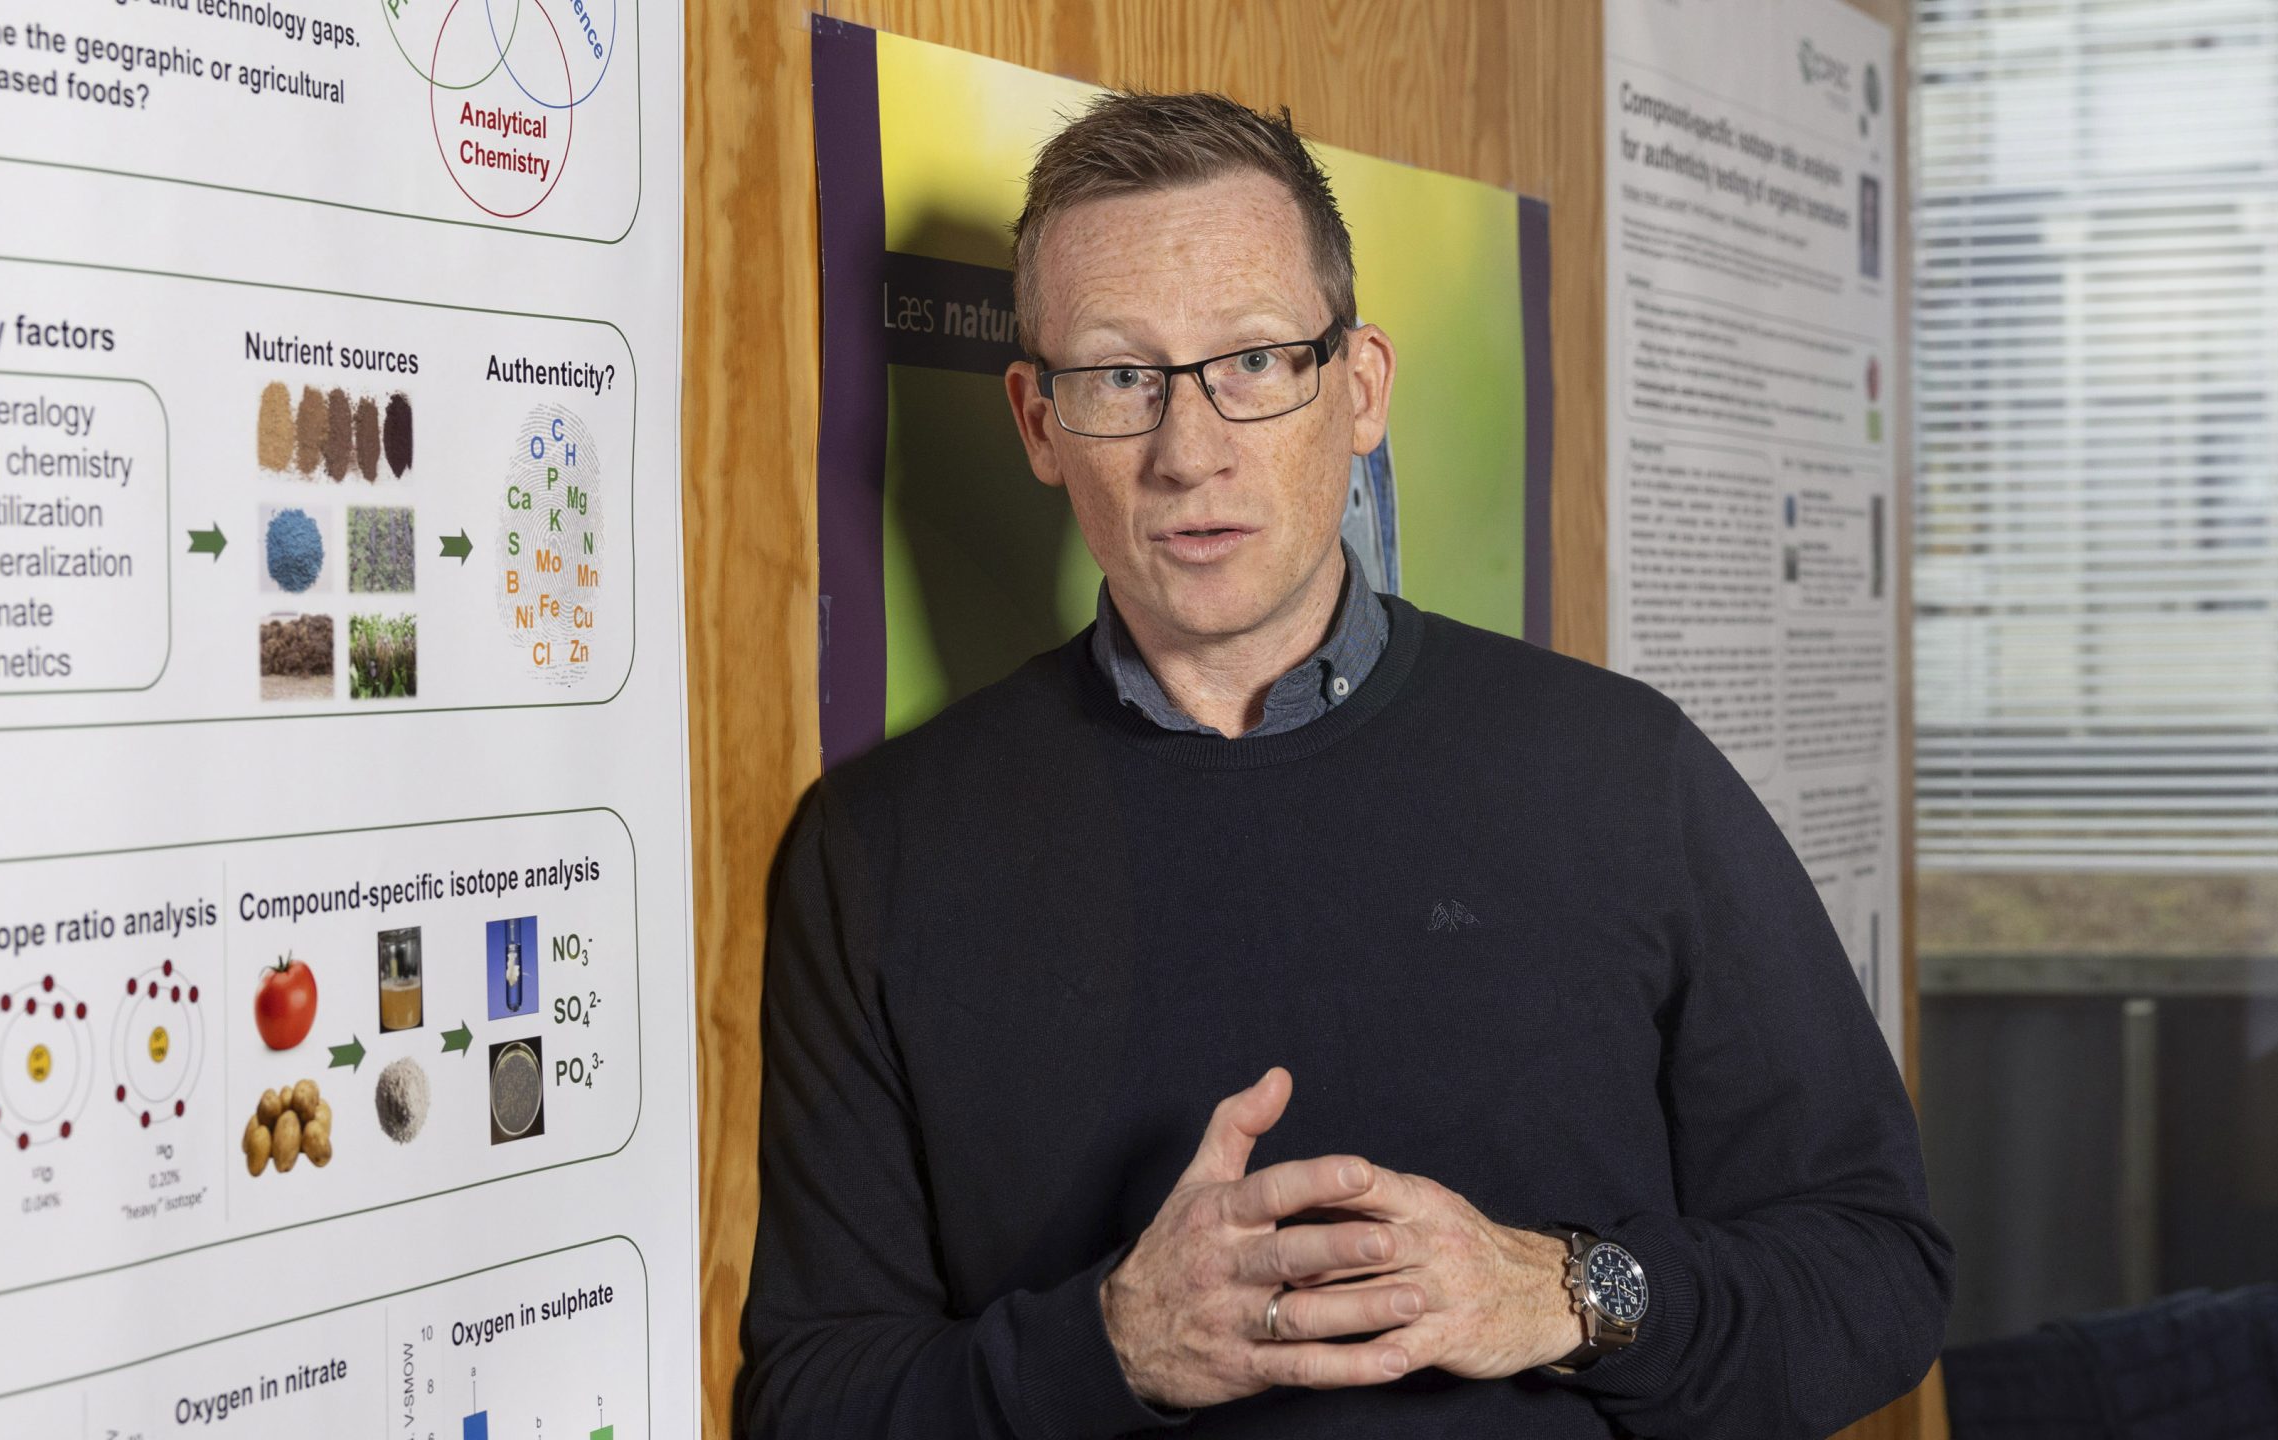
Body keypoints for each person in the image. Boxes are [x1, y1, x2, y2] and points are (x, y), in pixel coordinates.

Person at [740, 89, 1950, 1439]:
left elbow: (1879, 1273)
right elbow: (814, 1400)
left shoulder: (1620, 775)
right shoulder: (883, 848)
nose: (1188, 453)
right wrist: (1115, 1349)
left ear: (1358, 389)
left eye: (1254, 362)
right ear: (1037, 423)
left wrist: (1560, 1291)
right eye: (1119, 378)